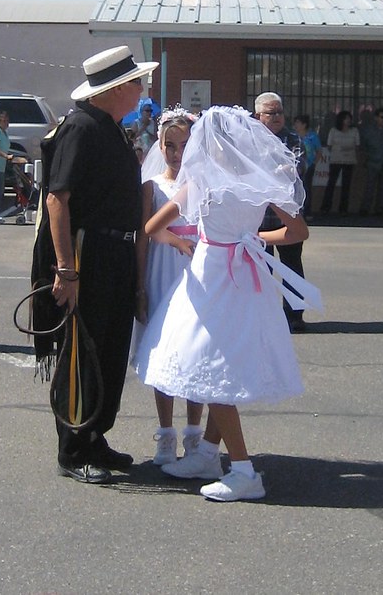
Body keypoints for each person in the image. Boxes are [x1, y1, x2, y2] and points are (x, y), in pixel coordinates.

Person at [134, 105, 321, 502]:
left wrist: (200, 240)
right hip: (246, 278)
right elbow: (298, 230)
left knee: (208, 364)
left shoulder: (201, 182)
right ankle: (206, 453)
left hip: (211, 278)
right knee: (227, 364)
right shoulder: (261, 180)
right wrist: (255, 240)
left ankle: (243, 469)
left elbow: (152, 227)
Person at [30, 45, 158, 484]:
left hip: (116, 254)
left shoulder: (110, 128)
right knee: (82, 351)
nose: (140, 91)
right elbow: (56, 199)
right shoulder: (81, 128)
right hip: (89, 255)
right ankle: (73, 448)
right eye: (135, 84)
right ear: (115, 89)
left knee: (109, 348)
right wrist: (66, 269)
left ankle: (96, 436)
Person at [131, 108, 204, 465]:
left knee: (196, 350)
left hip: (197, 271)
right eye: (169, 146)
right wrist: (140, 285)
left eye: (184, 146)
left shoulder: (203, 185)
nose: (176, 154)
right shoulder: (152, 187)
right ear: (159, 146)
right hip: (162, 270)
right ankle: (165, 433)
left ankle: (194, 432)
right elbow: (143, 237)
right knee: (163, 349)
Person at [254, 92, 309, 332]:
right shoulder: (249, 139)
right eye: (270, 113)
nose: (276, 117)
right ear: (258, 116)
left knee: (291, 266)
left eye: (279, 112)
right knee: (260, 268)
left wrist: (270, 171)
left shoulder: (293, 139)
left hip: (287, 216)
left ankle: (295, 315)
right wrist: (276, 170)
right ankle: (263, 314)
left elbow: (296, 168)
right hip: (258, 216)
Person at [358, 107, 383, 216]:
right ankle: (365, 208)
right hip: (373, 162)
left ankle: (380, 208)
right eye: (381, 117)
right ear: (376, 118)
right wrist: (367, 157)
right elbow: (363, 146)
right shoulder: (368, 130)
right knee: (369, 187)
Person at [319, 110, 359, 216]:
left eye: (349, 118)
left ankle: (343, 208)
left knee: (346, 185)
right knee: (331, 183)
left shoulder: (354, 131)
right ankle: (326, 207)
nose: (348, 121)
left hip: (349, 160)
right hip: (336, 159)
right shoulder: (333, 130)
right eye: (346, 118)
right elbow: (329, 145)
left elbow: (357, 145)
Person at [292, 114, 321, 218]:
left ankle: (307, 212)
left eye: (298, 123)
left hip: (308, 167)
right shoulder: (293, 136)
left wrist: (313, 163)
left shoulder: (312, 136)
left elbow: (318, 152)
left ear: (304, 125)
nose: (295, 125)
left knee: (306, 188)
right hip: (294, 167)